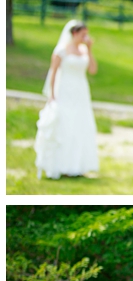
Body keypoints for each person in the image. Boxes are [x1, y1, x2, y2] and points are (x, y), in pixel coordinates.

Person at [35, 20, 100, 179]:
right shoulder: (61, 51)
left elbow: (92, 70)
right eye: (83, 34)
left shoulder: (84, 50)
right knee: (65, 126)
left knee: (80, 126)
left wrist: (90, 50)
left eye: (87, 34)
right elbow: (53, 73)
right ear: (74, 34)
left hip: (81, 92)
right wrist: (52, 94)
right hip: (64, 91)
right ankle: (62, 165)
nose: (86, 37)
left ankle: (78, 166)